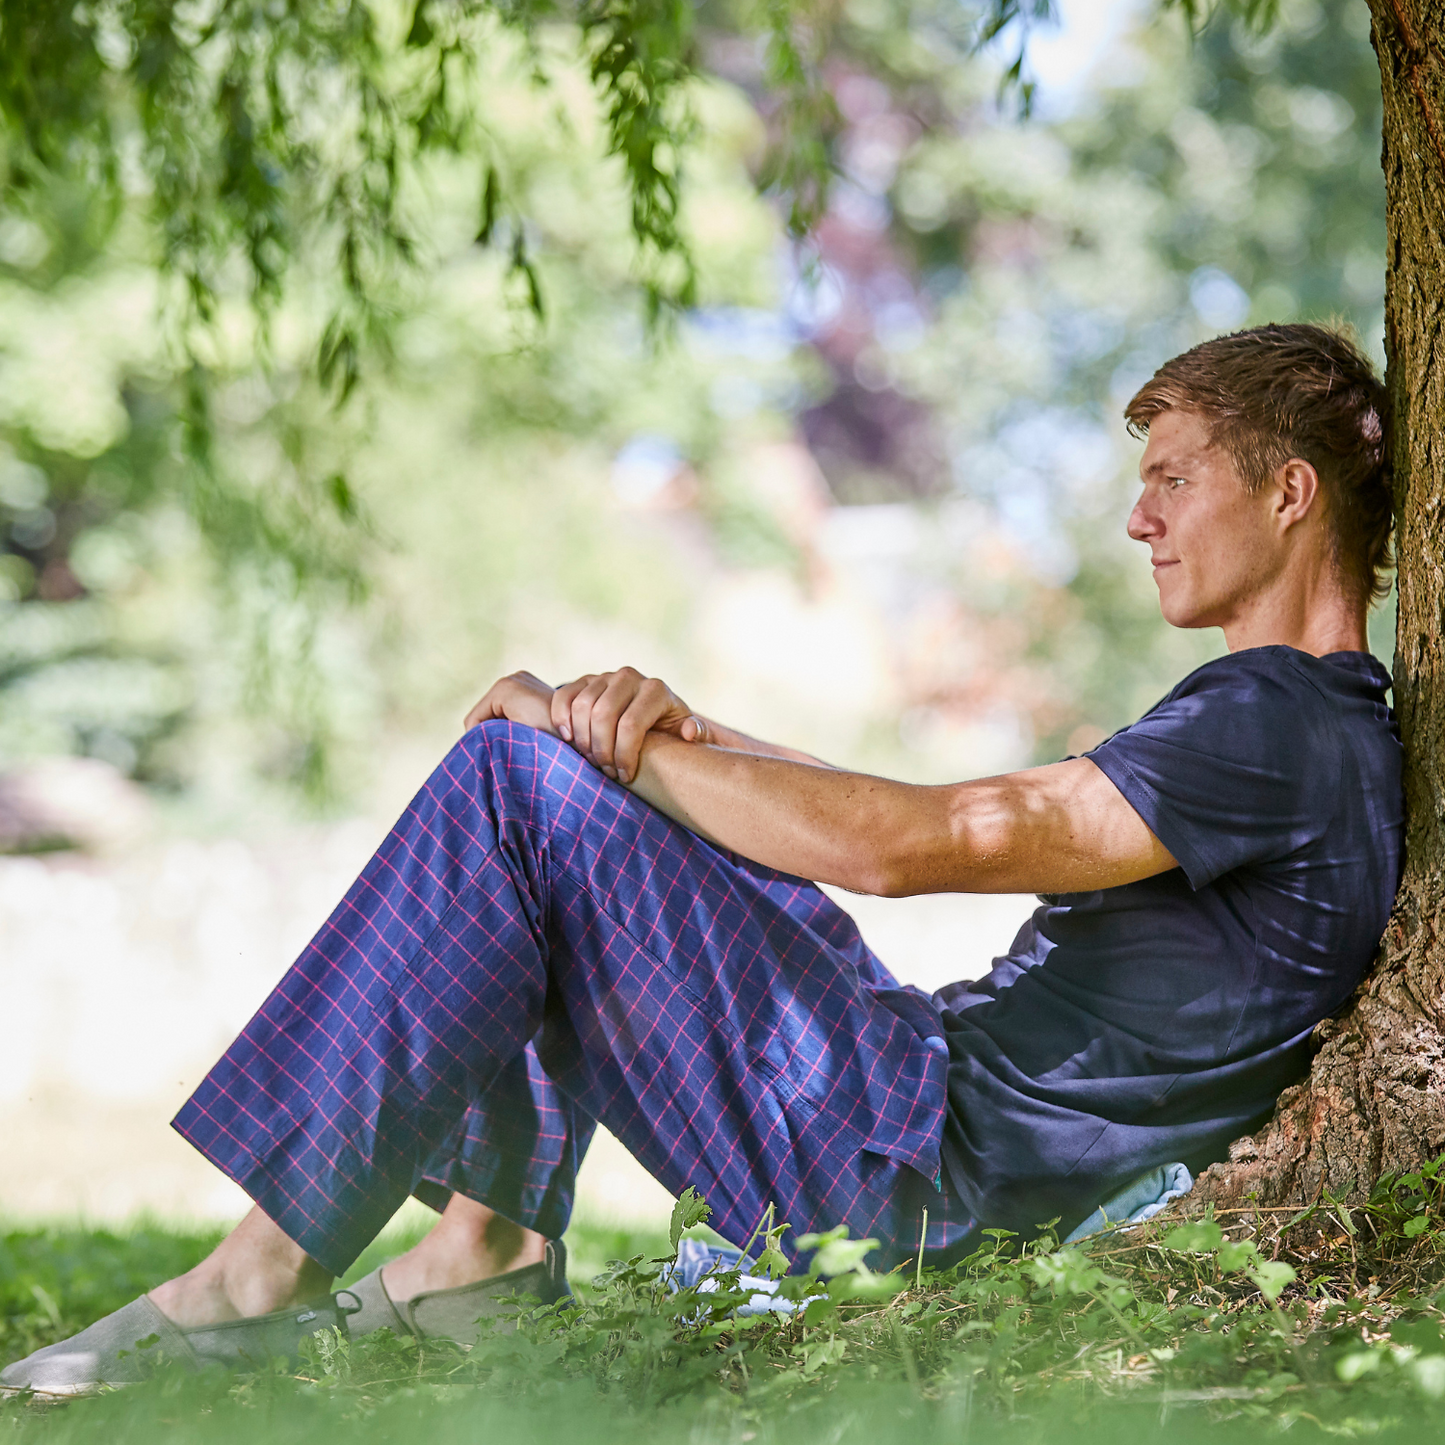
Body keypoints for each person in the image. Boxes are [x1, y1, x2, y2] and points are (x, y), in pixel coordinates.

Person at [3, 322, 1403, 1394]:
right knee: (555, 795)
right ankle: (471, 1261)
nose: (1137, 517)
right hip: (919, 1113)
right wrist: (689, 738)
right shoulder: (1290, 728)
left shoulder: (1278, 722)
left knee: (516, 783)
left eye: (1172, 478)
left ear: (1289, 493)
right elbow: (936, 809)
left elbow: (915, 851)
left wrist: (602, 750)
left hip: (922, 1174)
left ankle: (258, 1280)